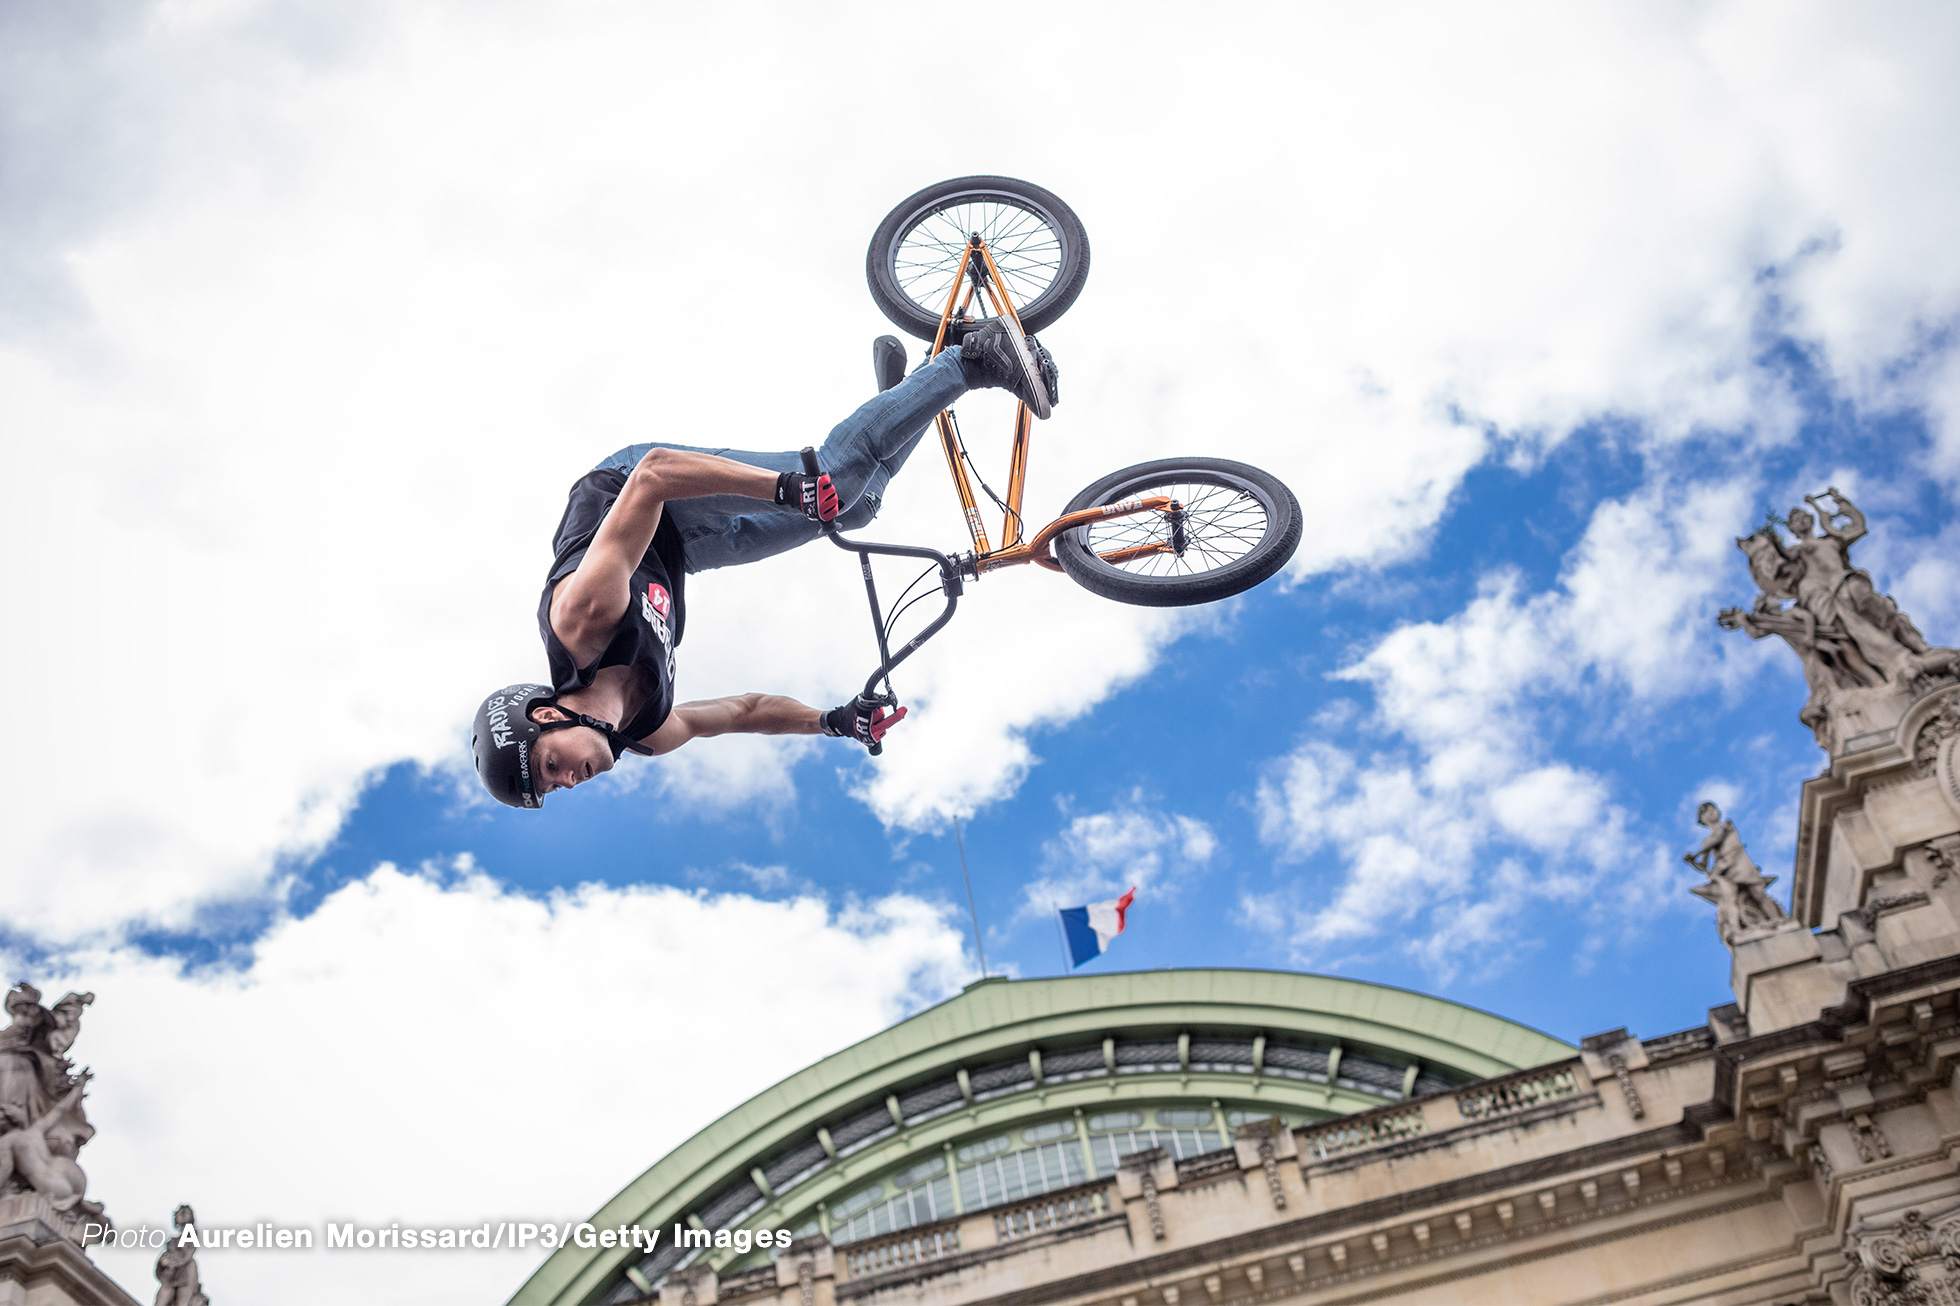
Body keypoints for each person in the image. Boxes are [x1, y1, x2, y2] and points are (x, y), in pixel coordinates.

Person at [471, 319, 1059, 809]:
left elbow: (655, 475)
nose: (568, 780)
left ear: (547, 713)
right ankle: (907, 398)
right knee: (853, 510)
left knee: (830, 479)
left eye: (550, 764)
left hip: (639, 491)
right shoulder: (647, 730)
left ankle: (974, 357)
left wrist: (786, 489)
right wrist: (833, 721)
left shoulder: (582, 619)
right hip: (679, 549)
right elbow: (743, 712)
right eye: (554, 788)